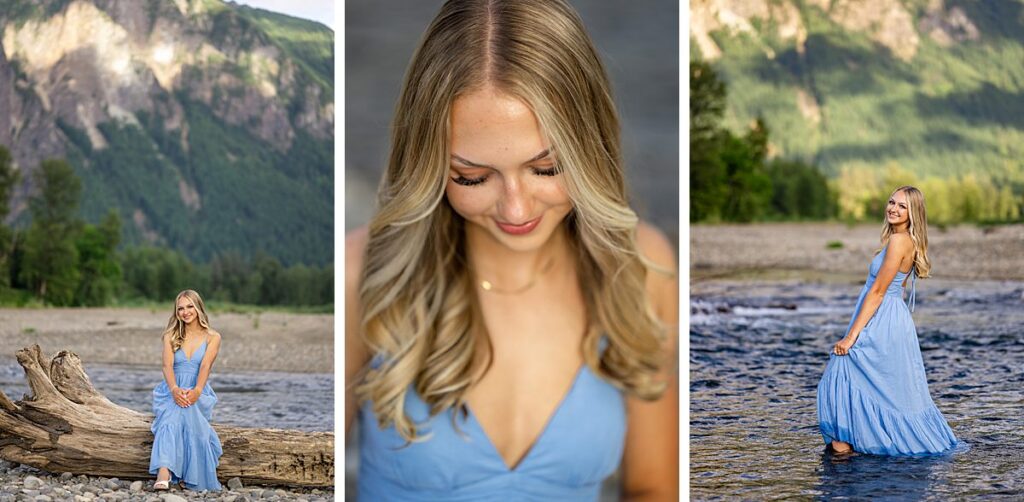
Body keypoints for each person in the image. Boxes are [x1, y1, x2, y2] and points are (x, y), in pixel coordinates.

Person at [345, 0, 679, 500]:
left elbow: (654, 487)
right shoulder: (362, 275)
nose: (517, 208)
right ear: (429, 164)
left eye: (546, 169)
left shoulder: (642, 268)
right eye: (473, 177)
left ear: (590, 148)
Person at [817, 186, 957, 456]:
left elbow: (879, 290)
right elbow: (896, 288)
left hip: (881, 319)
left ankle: (845, 456)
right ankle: (850, 448)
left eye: (902, 206)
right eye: (892, 202)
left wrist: (851, 336)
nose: (893, 208)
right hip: (891, 317)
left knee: (840, 372)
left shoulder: (899, 240)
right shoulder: (905, 240)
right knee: (884, 387)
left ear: (912, 213)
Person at [150, 289, 224, 491]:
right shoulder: (170, 335)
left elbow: (205, 366)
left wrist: (197, 391)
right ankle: (164, 471)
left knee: (186, 414)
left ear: (198, 307)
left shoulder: (213, 337)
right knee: (171, 417)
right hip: (172, 388)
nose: (185, 312)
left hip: (198, 389)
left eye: (190, 306)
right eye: (180, 308)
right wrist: (174, 389)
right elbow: (166, 366)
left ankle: (179, 473)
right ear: (176, 312)